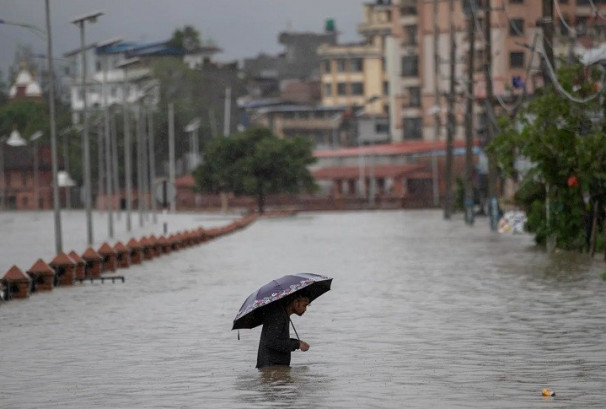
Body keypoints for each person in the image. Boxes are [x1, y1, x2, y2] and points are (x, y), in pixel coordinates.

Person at [256, 293, 310, 369]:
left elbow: (279, 339)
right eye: (304, 305)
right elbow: (272, 342)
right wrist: (297, 344)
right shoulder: (278, 315)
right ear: (295, 302)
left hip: (275, 367)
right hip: (271, 367)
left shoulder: (283, 314)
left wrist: (298, 343)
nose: (305, 309)